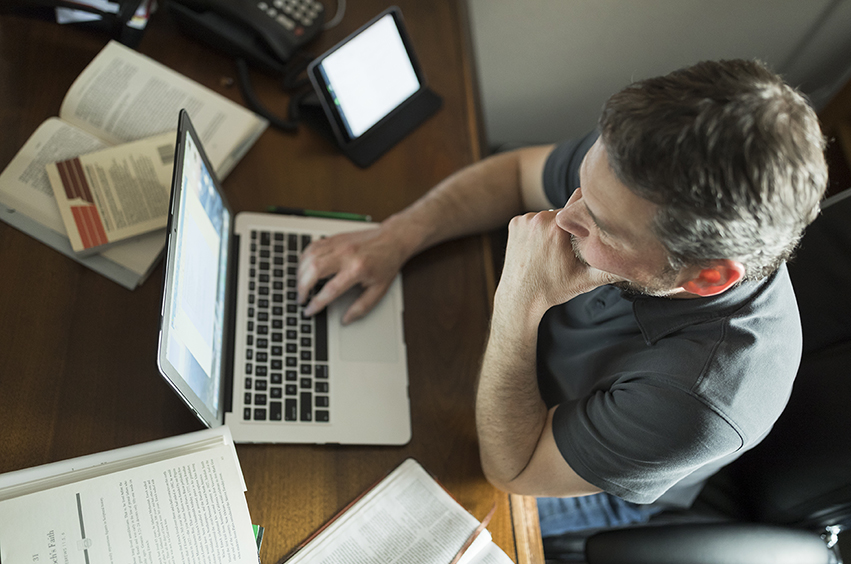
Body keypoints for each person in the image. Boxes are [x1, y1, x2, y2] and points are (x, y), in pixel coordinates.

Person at [295, 59, 828, 536]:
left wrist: (517, 305)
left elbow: (513, 470)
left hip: (578, 459)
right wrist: (396, 236)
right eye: (580, 187)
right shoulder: (639, 164)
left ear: (708, 278)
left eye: (601, 227)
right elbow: (514, 174)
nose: (560, 217)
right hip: (525, 361)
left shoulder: (701, 403)